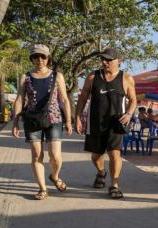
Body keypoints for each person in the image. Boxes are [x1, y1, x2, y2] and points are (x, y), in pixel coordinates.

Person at [12, 44, 73, 200]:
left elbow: (64, 99)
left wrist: (68, 121)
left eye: (43, 56)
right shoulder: (25, 77)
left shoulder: (57, 76)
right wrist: (15, 121)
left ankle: (55, 176)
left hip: (54, 119)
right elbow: (19, 99)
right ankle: (42, 189)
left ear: (48, 58)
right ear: (32, 58)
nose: (39, 59)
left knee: (55, 156)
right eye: (35, 56)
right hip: (32, 120)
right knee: (36, 156)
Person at [75, 47, 137, 199]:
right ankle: (101, 172)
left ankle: (114, 185)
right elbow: (82, 98)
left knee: (115, 154)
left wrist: (129, 114)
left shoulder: (126, 79)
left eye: (108, 59)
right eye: (103, 59)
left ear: (119, 61)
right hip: (95, 122)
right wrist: (77, 117)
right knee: (96, 156)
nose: (104, 62)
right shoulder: (92, 77)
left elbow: (134, 100)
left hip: (116, 123)